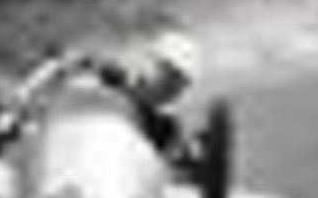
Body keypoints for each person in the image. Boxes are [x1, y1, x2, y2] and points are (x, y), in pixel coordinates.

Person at [10, 29, 203, 163]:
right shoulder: (116, 77)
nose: (172, 90)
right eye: (170, 77)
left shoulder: (166, 127)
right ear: (155, 65)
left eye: (180, 85)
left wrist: (192, 155)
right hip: (59, 150)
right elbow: (64, 61)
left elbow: (176, 164)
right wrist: (26, 92)